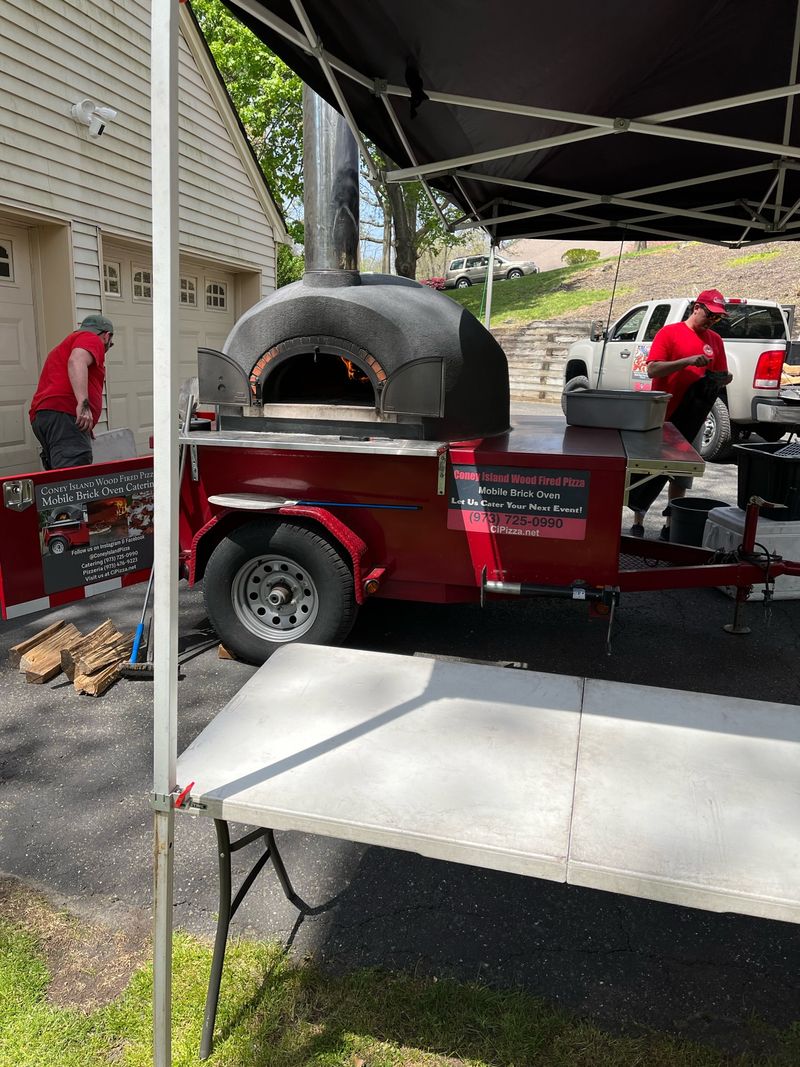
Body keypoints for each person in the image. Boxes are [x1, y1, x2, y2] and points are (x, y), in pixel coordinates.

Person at [630, 289, 732, 539]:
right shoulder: (670, 333)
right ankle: (638, 520)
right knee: (648, 470)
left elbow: (721, 374)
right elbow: (652, 370)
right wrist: (685, 362)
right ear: (697, 307)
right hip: (663, 414)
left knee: (681, 473)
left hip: (694, 416)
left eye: (717, 318)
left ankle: (670, 523)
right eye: (710, 314)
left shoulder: (715, 341)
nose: (712, 321)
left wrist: (725, 379)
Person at [29, 314, 114, 470]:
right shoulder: (92, 338)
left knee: (59, 476)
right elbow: (77, 360)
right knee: (73, 481)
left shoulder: (66, 345)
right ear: (107, 336)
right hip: (64, 416)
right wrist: (83, 405)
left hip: (45, 417)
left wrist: (83, 428)